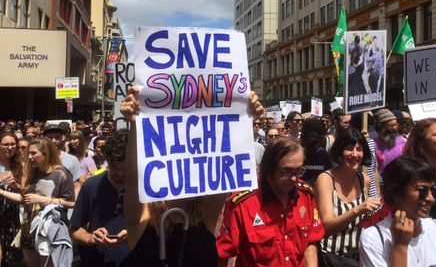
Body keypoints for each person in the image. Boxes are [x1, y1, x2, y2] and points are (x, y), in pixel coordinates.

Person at [120, 86, 264, 267]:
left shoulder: (208, 216)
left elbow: (222, 160)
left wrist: (243, 119)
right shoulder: (143, 221)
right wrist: (135, 123)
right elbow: (134, 177)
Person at [217, 137, 324, 266]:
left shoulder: (306, 195)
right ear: (269, 167)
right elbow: (223, 254)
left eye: (299, 171)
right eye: (287, 171)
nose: (294, 178)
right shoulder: (242, 204)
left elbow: (311, 242)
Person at [359, 157, 436, 267]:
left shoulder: (435, 228)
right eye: (422, 190)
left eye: (434, 190)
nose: (430, 198)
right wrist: (400, 246)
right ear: (396, 192)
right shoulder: (374, 238)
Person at [0, 137, 75, 267]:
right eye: (29, 153)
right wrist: (6, 191)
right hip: (29, 229)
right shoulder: (36, 173)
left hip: (48, 231)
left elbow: (71, 203)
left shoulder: (61, 174)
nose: (29, 157)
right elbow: (26, 199)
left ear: (46, 153)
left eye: (33, 153)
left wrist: (44, 200)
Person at [315, 128, 380, 265]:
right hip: (330, 259)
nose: (355, 154)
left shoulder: (365, 180)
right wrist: (358, 209)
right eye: (349, 149)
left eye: (359, 149)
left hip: (357, 258)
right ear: (339, 151)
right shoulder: (326, 179)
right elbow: (326, 227)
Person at [70, 129, 129, 267]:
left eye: (126, 169)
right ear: (107, 160)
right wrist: (91, 238)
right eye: (115, 168)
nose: (120, 174)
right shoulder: (91, 186)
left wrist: (134, 232)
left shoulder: (145, 187)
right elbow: (74, 230)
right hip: (97, 260)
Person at [0, 132, 23, 266]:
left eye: (12, 144)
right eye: (5, 144)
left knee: (11, 254)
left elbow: (26, 192)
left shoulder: (21, 165)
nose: (9, 147)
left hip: (12, 214)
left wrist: (16, 185)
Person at [301, 118, 334, 185]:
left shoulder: (323, 154)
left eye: (316, 143)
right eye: (311, 142)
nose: (313, 146)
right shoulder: (296, 153)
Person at [373, 109, 406, 173]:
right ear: (381, 127)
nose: (394, 128)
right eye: (390, 125)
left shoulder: (404, 142)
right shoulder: (373, 144)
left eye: (395, 124)